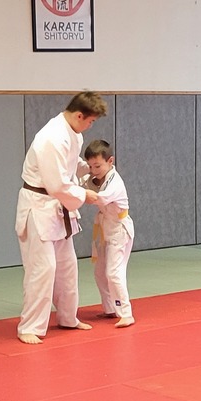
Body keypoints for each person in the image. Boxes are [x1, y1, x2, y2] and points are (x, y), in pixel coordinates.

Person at [16, 91, 103, 344]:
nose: (90, 125)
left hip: (58, 206)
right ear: (79, 115)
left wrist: (90, 168)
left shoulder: (73, 133)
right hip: (39, 206)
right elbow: (56, 184)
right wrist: (84, 194)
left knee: (66, 267)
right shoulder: (51, 138)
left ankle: (67, 317)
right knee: (42, 269)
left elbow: (69, 164)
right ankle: (29, 327)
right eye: (90, 121)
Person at [81, 139, 135, 328]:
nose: (93, 170)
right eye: (90, 166)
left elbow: (98, 198)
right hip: (105, 228)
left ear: (110, 161)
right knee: (100, 272)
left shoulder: (115, 183)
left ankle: (126, 313)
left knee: (114, 272)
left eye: (97, 166)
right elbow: (82, 182)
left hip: (120, 230)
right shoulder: (93, 178)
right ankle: (110, 307)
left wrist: (77, 193)